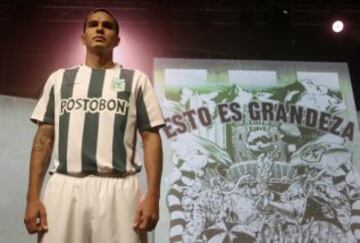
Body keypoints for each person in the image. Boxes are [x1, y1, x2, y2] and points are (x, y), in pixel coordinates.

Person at [24, 8, 165, 243]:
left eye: (107, 26)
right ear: (82, 37)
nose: (100, 28)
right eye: (93, 24)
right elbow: (43, 139)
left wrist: (153, 196)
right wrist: (32, 197)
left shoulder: (137, 80)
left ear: (117, 40)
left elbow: (151, 138)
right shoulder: (59, 79)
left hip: (119, 188)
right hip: (65, 186)